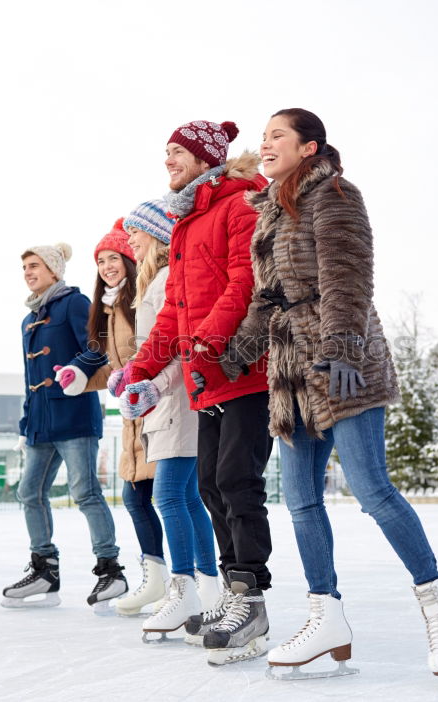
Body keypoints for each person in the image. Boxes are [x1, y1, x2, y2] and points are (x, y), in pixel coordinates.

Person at [221, 108, 438, 683]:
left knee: (370, 488)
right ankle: (326, 615)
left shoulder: (333, 194)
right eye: (262, 137)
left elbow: (348, 277)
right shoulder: (270, 212)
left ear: (309, 147)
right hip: (291, 370)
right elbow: (269, 299)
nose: (265, 144)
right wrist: (233, 354)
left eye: (277, 135)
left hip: (342, 365)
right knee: (302, 500)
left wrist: (340, 348)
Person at [121, 120, 274, 665]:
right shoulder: (186, 222)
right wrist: (140, 367)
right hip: (206, 378)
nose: (168, 161)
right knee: (210, 482)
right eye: (164, 154)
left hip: (243, 369)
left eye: (177, 153)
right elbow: (172, 313)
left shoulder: (239, 204)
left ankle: (249, 595)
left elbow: (244, 282)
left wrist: (208, 344)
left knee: (237, 479)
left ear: (207, 157)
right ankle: (233, 595)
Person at [116, 200, 221, 642]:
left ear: (158, 235)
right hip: (167, 405)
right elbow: (150, 348)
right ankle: (208, 591)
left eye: (136, 231)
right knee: (187, 498)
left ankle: (186, 590)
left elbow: (176, 347)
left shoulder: (162, 283)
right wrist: (131, 375)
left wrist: (152, 384)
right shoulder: (153, 284)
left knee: (169, 497)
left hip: (177, 404)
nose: (130, 240)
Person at [1, 242, 126, 610]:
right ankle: (45, 568)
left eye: (34, 265)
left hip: (73, 414)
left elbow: (98, 346)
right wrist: (26, 424)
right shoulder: (28, 320)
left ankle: (110, 569)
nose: (28, 272)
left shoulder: (75, 302)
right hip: (40, 421)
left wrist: (76, 371)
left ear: (54, 269)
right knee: (29, 492)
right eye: (24, 267)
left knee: (84, 491)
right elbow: (30, 377)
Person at [57, 219, 168, 616]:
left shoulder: (139, 301)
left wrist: (134, 377)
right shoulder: (107, 309)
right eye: (100, 261)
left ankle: (187, 579)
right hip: (134, 417)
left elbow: (154, 351)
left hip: (161, 407)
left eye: (113, 258)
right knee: (137, 499)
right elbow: (114, 368)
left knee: (169, 499)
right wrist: (81, 378)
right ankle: (156, 577)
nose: (106, 267)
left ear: (129, 258)